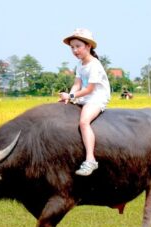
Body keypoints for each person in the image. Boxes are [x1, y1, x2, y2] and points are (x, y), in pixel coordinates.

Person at [59, 28, 111, 176]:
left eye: (78, 46)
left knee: (84, 122)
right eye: (72, 47)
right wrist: (69, 95)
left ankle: (90, 159)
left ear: (88, 46)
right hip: (83, 97)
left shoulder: (94, 65)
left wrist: (71, 96)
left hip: (96, 98)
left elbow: (89, 89)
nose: (75, 50)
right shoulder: (80, 65)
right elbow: (77, 84)